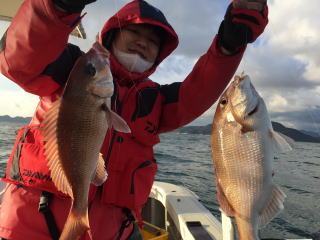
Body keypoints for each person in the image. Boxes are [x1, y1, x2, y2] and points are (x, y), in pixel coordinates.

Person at [0, 0, 268, 239]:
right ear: (113, 34)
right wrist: (59, 5)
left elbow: (201, 89)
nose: (143, 41)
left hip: (116, 232)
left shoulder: (156, 101)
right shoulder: (71, 69)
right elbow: (19, 58)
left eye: (153, 41)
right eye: (135, 31)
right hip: (30, 224)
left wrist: (230, 42)